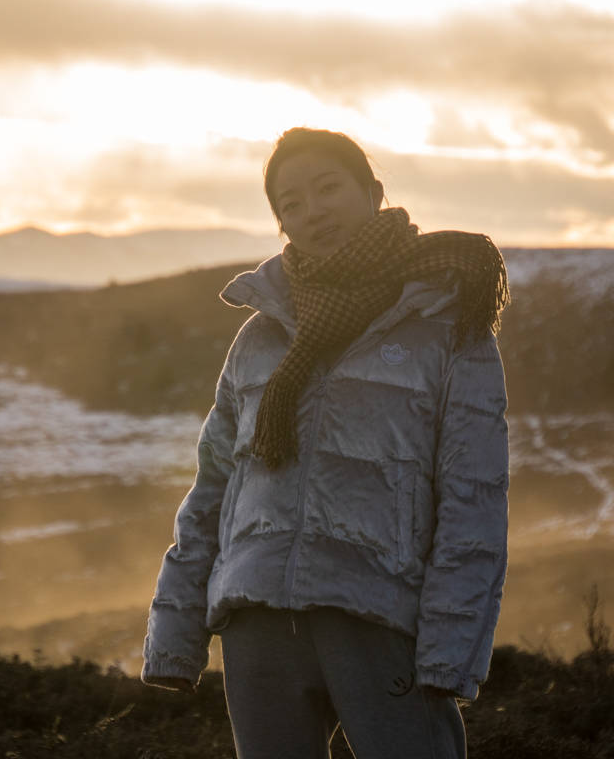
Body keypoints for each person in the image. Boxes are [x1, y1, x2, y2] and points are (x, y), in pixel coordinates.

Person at [141, 127, 511, 759]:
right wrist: (175, 633)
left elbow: (472, 502)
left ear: (373, 191)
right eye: (291, 203)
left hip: (378, 617)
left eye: (327, 187)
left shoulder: (449, 326)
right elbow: (213, 489)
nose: (312, 210)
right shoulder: (259, 337)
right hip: (257, 621)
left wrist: (451, 652)